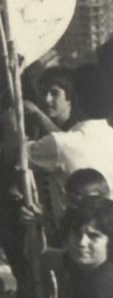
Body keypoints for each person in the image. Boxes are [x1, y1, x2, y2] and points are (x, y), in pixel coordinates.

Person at [28, 64, 113, 220]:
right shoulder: (109, 136)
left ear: (75, 99)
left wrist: (12, 122)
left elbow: (17, 154)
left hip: (77, 237)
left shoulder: (60, 143)